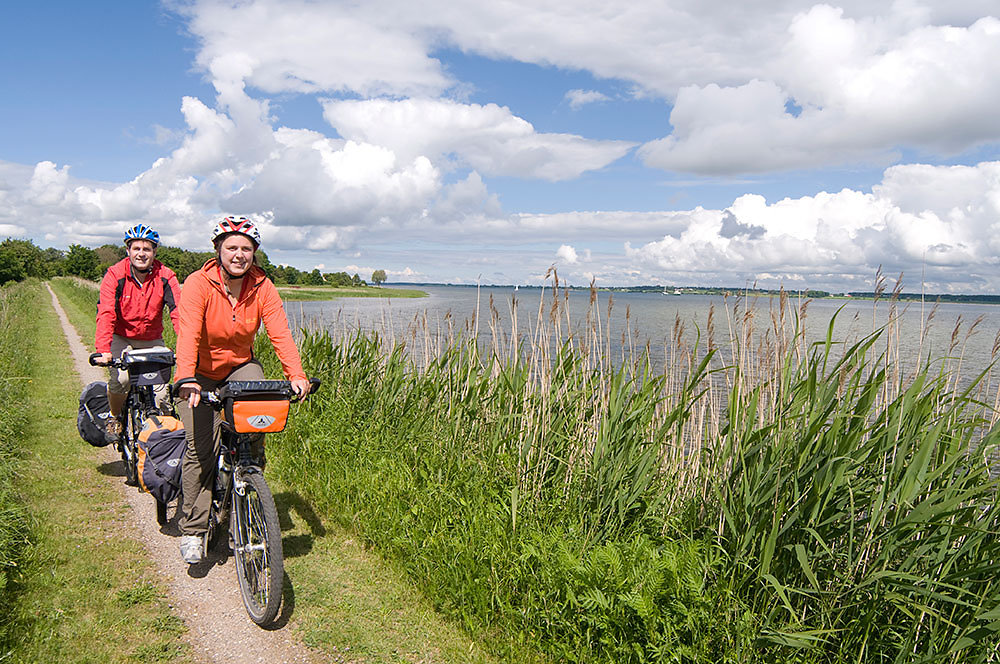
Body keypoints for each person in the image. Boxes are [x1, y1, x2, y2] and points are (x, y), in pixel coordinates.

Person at [173, 215, 310, 564]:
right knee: (200, 449)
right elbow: (187, 333)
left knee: (253, 430)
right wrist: (186, 376)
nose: (239, 254)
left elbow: (280, 332)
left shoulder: (262, 286)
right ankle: (193, 528)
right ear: (218, 249)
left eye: (246, 249)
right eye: (231, 247)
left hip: (239, 367)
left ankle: (245, 506)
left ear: (255, 253)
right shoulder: (198, 283)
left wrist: (295, 373)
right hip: (200, 373)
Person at [95, 224, 181, 440]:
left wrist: (186, 346)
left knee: (162, 395)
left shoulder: (166, 276)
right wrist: (104, 351)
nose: (141, 253)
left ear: (154, 252)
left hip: (152, 339)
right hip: (121, 337)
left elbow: (179, 313)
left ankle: (161, 441)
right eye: (136, 248)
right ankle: (115, 417)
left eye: (147, 249)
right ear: (128, 251)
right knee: (122, 380)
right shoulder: (115, 275)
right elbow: (106, 313)